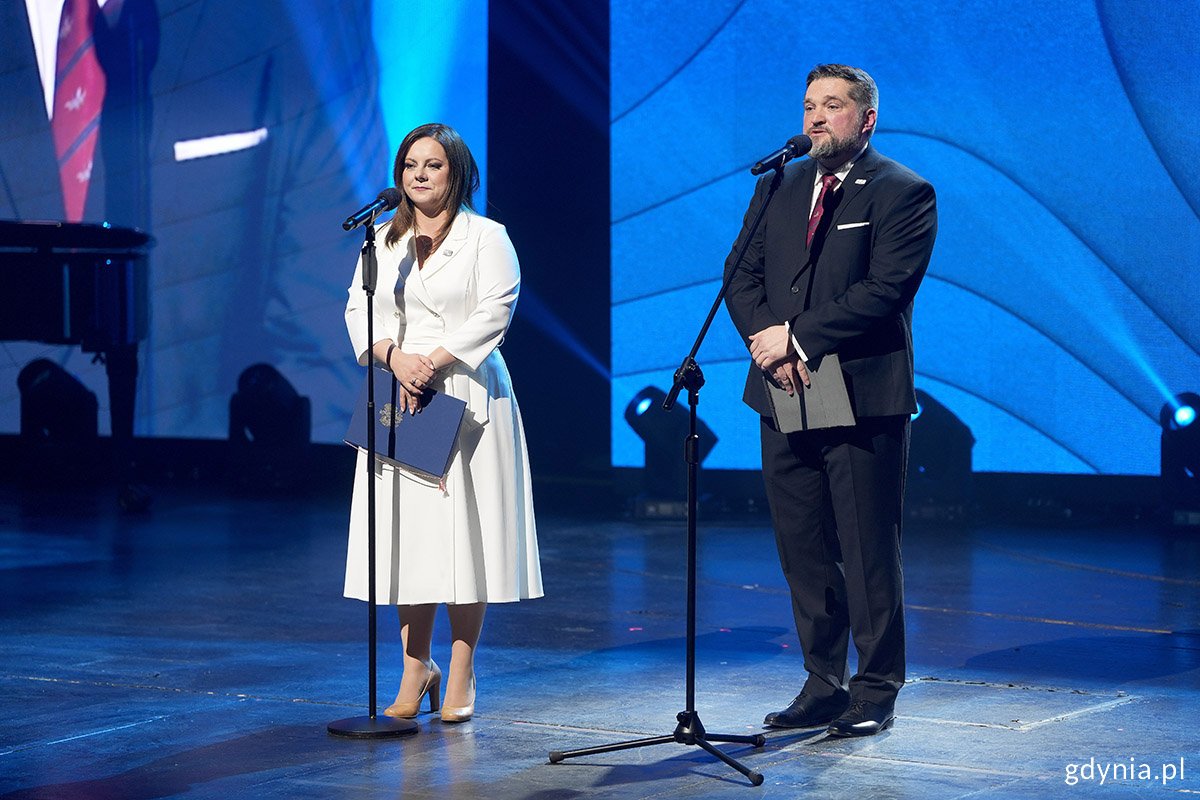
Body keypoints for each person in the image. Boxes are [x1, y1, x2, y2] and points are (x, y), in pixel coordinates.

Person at [723, 64, 937, 737]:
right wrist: (768, 343)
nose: (817, 117)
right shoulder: (778, 186)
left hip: (861, 390)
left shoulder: (904, 192)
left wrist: (796, 339)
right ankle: (823, 680)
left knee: (867, 545)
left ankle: (876, 688)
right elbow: (740, 275)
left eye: (834, 106)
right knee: (803, 545)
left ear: (866, 119)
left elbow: (884, 290)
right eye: (811, 105)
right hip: (784, 388)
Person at [343, 123, 543, 724]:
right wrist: (394, 356)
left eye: (433, 164)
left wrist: (431, 359)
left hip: (463, 387)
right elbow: (359, 308)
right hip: (398, 390)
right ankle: (413, 664)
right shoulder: (382, 240)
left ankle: (460, 665)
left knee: (465, 537)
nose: (420, 174)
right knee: (405, 537)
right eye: (410, 165)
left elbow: (495, 310)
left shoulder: (487, 237)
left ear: (456, 172)